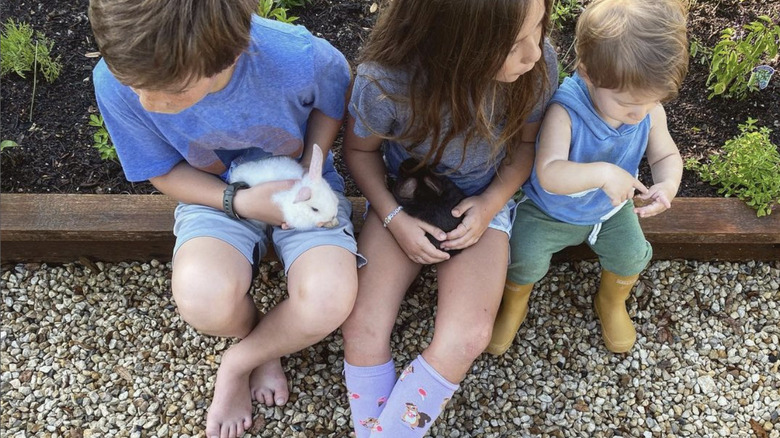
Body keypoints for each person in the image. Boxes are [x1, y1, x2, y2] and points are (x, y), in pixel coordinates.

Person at [88, 1, 364, 437]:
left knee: (329, 299)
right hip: (213, 195)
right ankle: (263, 340)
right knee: (203, 300)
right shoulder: (121, 77)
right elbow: (163, 171)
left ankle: (240, 360)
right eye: (133, 85)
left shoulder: (300, 58)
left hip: (300, 190)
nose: (148, 103)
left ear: (229, 56)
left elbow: (332, 103)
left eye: (171, 91)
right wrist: (240, 202)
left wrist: (312, 169)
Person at [340, 0, 558, 435]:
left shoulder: (536, 65)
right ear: (457, 44)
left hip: (481, 201)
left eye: (539, 30)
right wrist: (395, 217)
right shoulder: (385, 82)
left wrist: (492, 203)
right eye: (517, 44)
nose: (536, 52)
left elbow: (524, 150)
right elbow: (359, 152)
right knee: (361, 326)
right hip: (407, 196)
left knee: (469, 337)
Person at [487, 0, 689, 356]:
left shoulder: (645, 106)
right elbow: (549, 172)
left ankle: (611, 300)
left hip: (610, 210)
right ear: (587, 73)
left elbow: (666, 154)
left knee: (631, 256)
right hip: (548, 209)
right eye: (628, 104)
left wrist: (667, 185)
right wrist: (604, 173)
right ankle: (515, 303)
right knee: (522, 256)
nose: (638, 113)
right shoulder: (566, 110)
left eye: (650, 102)